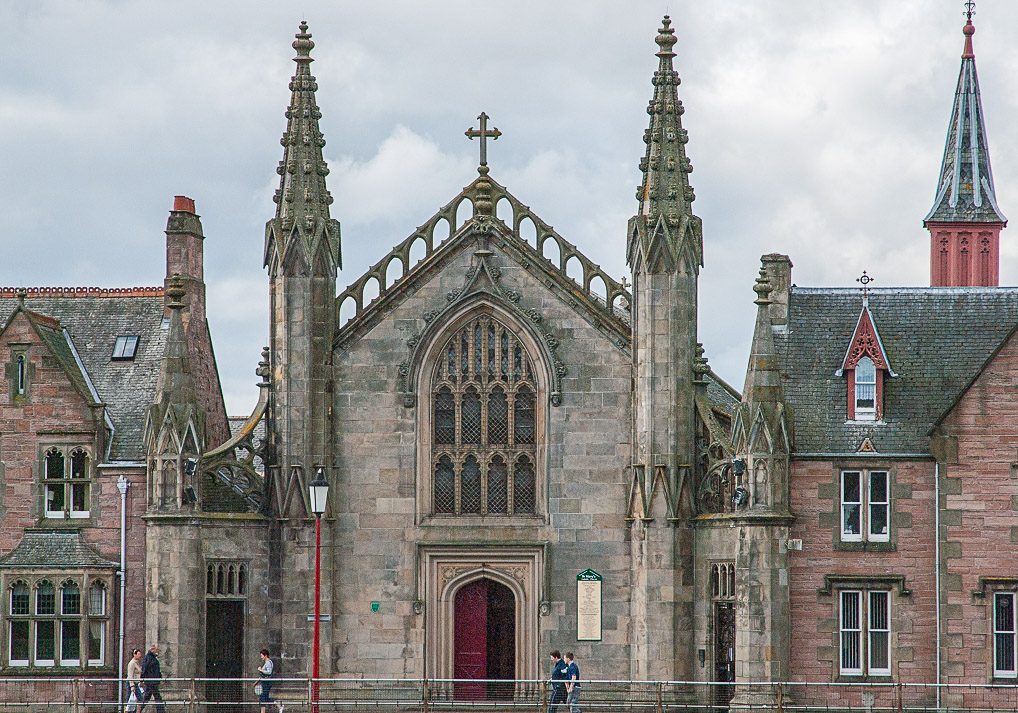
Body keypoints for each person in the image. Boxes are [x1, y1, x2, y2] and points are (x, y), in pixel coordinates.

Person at [140, 644, 166, 712]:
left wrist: (159, 676)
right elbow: (144, 668)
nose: (158, 652)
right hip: (151, 681)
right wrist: (142, 679)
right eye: (157, 650)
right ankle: (138, 709)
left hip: (153, 681)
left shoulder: (152, 658)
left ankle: (139, 709)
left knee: (150, 697)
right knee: (152, 697)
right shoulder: (148, 658)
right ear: (153, 650)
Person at [257, 648, 275, 713]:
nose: (261, 657)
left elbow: (269, 672)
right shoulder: (267, 662)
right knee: (265, 698)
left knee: (263, 697)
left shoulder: (268, 662)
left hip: (267, 683)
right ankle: (278, 705)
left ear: (265, 655)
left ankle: (263, 712)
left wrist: (261, 670)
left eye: (262, 656)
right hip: (265, 683)